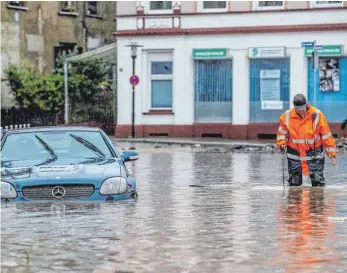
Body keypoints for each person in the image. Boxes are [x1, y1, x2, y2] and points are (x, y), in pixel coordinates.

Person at [276, 94, 336, 187]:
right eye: (298, 109)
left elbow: (326, 135)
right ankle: (294, 201)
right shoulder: (287, 116)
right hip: (294, 154)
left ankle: (318, 200)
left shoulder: (317, 115)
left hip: (314, 154)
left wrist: (331, 153)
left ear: (307, 104)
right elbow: (282, 134)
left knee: (318, 183)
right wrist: (281, 144)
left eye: (302, 108)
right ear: (294, 106)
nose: (301, 111)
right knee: (294, 183)